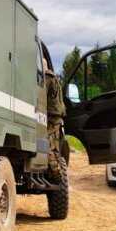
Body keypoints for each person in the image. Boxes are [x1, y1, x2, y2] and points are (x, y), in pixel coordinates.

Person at [42, 44, 67, 175]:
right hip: (57, 115)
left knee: (49, 146)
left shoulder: (47, 78)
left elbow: (40, 94)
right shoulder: (55, 78)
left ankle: (58, 175)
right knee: (55, 146)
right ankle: (58, 174)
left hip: (52, 116)